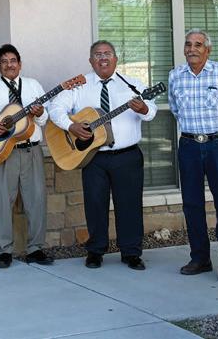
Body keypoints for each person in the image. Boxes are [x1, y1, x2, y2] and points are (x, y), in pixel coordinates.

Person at [49, 40, 157, 271]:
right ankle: (95, 251)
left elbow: (152, 111)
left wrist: (145, 109)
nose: (103, 58)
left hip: (127, 156)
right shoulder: (80, 85)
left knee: (129, 205)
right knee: (95, 204)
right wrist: (70, 126)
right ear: (91, 61)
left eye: (108, 53)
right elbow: (55, 108)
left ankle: (131, 252)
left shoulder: (132, 85)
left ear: (116, 59)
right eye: (97, 54)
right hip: (94, 157)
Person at [169, 29, 218, 282]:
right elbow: (175, 108)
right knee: (192, 204)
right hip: (189, 146)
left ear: (208, 49)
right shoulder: (175, 76)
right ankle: (200, 258)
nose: (192, 49)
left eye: (198, 45)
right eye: (188, 44)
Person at [0, 44, 53, 268]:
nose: (9, 65)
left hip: (31, 150)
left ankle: (36, 249)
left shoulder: (33, 85)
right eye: (4, 62)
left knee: (36, 199)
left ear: (20, 64)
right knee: (1, 202)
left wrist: (40, 113)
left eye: (13, 60)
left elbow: (45, 118)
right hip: (3, 152)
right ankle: (4, 250)